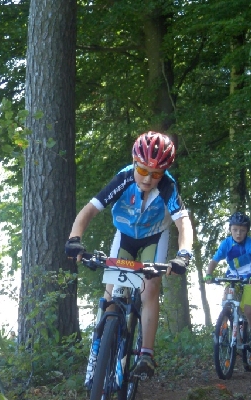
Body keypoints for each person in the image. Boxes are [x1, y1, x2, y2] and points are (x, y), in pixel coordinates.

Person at [65, 131, 194, 378]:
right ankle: (100, 348)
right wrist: (74, 239)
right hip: (125, 235)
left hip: (154, 236)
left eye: (156, 173)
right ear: (134, 162)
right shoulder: (124, 178)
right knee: (111, 294)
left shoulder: (168, 186)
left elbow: (183, 223)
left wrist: (183, 254)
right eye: (143, 170)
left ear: (164, 173)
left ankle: (146, 354)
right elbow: (89, 210)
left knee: (149, 288)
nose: (148, 178)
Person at [204, 212, 251, 355]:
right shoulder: (226, 243)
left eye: (242, 230)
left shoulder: (250, 243)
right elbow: (214, 260)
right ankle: (224, 328)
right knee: (226, 302)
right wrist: (209, 274)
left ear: (247, 231)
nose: (238, 233)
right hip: (233, 277)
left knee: (248, 310)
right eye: (235, 230)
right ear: (230, 229)